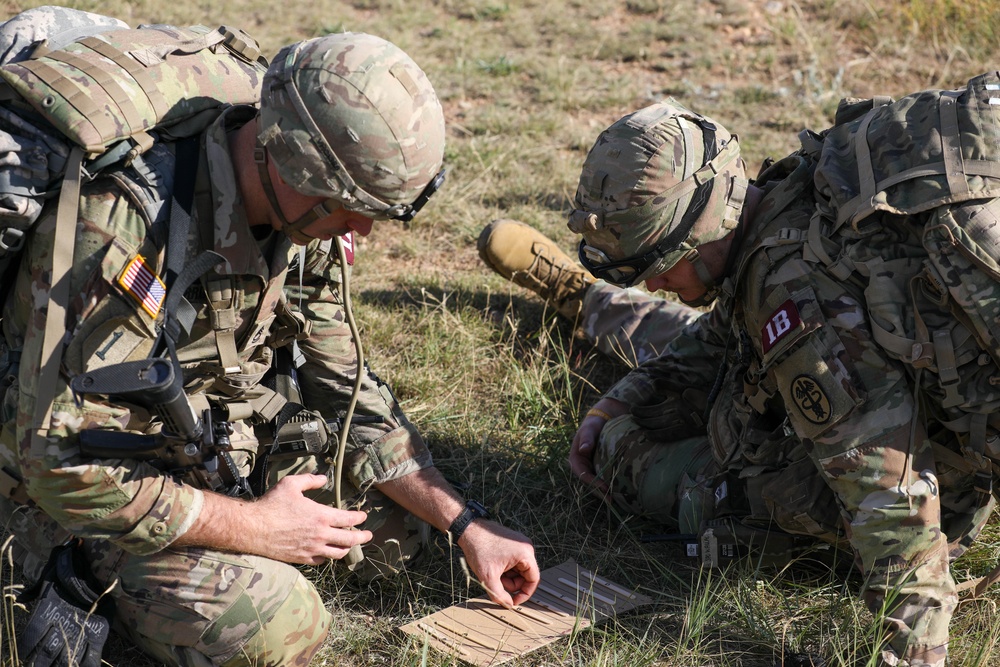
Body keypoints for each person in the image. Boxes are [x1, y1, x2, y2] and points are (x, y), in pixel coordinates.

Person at [1, 29, 539, 667]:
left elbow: (345, 387)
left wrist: (465, 523)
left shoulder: (304, 210)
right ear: (292, 161)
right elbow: (61, 466)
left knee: (403, 534)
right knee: (281, 622)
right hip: (81, 477)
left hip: (208, 435)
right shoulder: (122, 225)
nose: (361, 229)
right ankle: (70, 576)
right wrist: (256, 528)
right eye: (348, 205)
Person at [479, 93, 1000, 666]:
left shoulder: (792, 294)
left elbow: (894, 506)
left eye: (656, 267)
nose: (652, 283)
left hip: (933, 476)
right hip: (884, 386)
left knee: (633, 458)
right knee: (720, 330)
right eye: (640, 272)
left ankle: (598, 308)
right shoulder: (808, 188)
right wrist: (622, 395)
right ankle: (593, 301)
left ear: (699, 235)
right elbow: (725, 331)